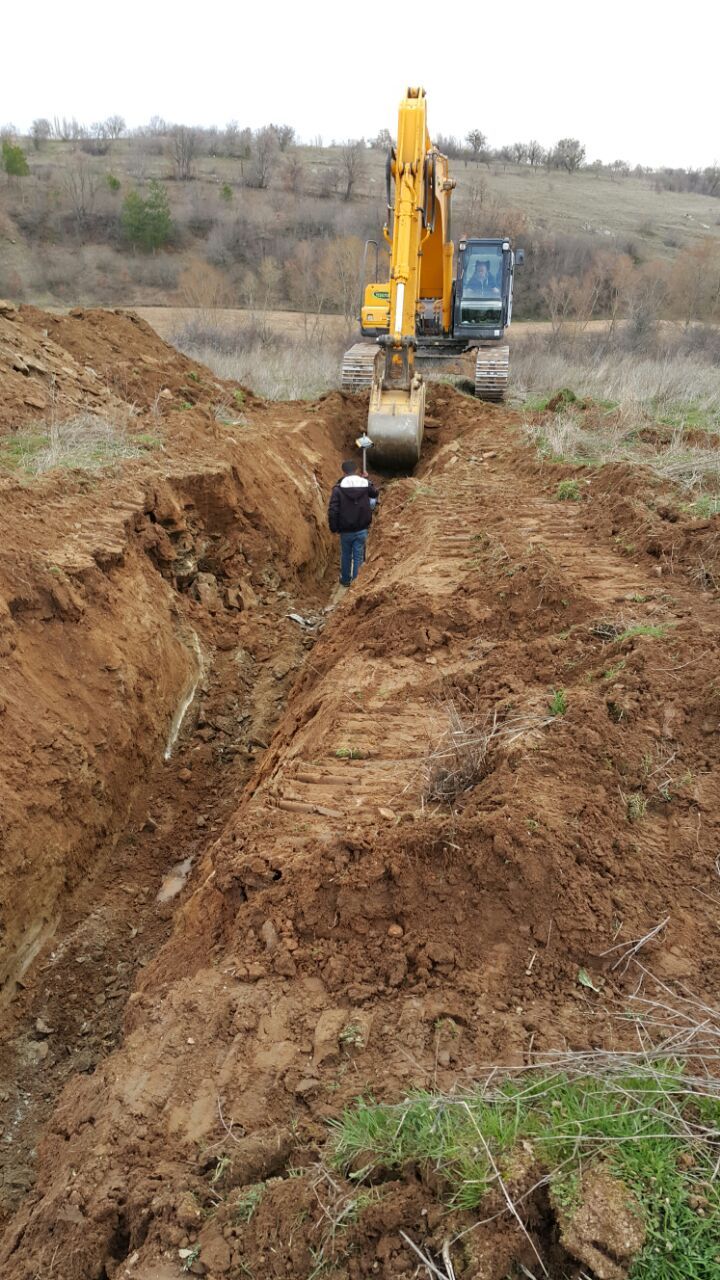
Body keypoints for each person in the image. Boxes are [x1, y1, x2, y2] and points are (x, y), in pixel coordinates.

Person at [328, 460, 379, 586]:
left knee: (346, 555)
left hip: (345, 530)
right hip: (362, 528)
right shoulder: (365, 484)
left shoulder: (338, 489)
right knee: (358, 556)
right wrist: (367, 479)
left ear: (344, 472)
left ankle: (345, 580)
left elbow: (333, 510)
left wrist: (333, 527)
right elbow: (375, 493)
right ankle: (356, 584)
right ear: (356, 470)